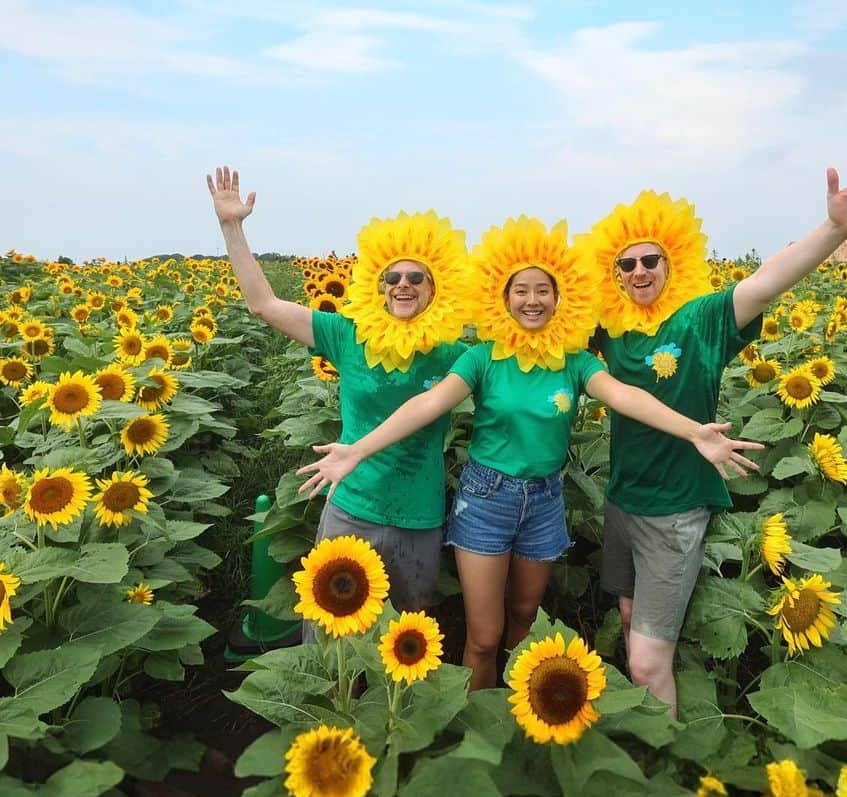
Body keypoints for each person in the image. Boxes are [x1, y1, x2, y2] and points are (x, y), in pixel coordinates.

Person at [297, 217, 764, 689]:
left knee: (523, 618)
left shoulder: (575, 360)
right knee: (484, 635)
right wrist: (358, 449)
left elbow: (623, 396)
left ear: (560, 298)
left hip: (543, 502)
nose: (533, 300)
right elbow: (431, 402)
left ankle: (516, 713)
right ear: (503, 298)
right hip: (485, 499)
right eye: (521, 290)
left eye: (544, 290)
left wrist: (693, 432)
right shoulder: (483, 357)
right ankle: (476, 722)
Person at [585, 152, 847, 713]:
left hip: (675, 509)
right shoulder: (609, 332)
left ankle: (666, 761)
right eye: (626, 264)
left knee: (643, 662)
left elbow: (764, 283)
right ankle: (649, 732)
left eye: (650, 261)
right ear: (613, 273)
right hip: (622, 502)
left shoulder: (700, 319)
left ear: (671, 264)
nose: (638, 271)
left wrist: (833, 230)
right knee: (627, 616)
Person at [206, 167, 471, 614]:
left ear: (435, 288)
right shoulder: (347, 334)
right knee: (331, 635)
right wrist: (231, 227)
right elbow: (264, 305)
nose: (402, 284)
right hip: (352, 504)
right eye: (393, 277)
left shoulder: (453, 353)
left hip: (418, 515)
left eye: (415, 277)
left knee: (406, 639)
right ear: (380, 286)